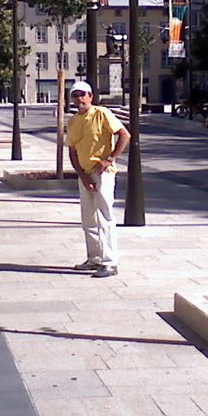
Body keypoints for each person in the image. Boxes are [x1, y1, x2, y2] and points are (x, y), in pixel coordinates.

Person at [66, 80, 130, 278]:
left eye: (82, 94)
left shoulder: (102, 113)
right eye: (75, 95)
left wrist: (109, 159)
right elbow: (72, 151)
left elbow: (124, 135)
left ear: (90, 96)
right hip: (85, 173)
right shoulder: (74, 121)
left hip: (102, 172)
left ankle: (110, 261)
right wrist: (82, 175)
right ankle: (94, 258)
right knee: (88, 218)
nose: (79, 99)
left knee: (105, 215)